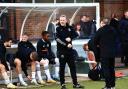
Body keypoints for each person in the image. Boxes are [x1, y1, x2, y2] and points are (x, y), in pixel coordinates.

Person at [56, 15, 84, 89]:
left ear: (66, 20)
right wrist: (66, 44)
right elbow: (57, 39)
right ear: (59, 21)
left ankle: (75, 84)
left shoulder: (70, 28)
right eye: (61, 20)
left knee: (73, 67)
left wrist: (70, 38)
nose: (62, 21)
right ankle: (63, 84)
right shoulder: (57, 29)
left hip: (70, 51)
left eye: (63, 20)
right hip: (61, 52)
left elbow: (76, 35)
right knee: (62, 68)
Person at [94, 18, 117, 89]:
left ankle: (108, 86)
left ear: (103, 23)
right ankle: (113, 85)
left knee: (106, 69)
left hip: (104, 53)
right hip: (112, 53)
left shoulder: (100, 30)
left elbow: (95, 40)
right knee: (112, 69)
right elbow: (116, 38)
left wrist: (99, 44)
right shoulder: (113, 29)